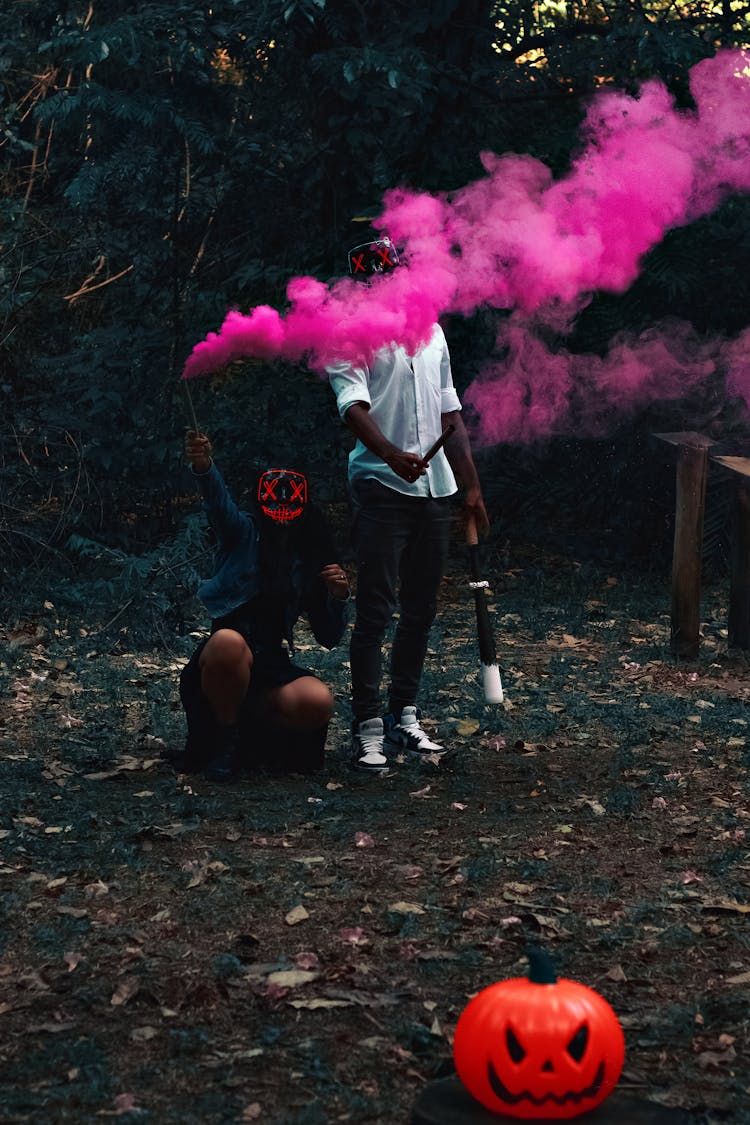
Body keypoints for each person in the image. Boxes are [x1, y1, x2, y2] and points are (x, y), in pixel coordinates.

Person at [326, 237, 489, 772]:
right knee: (376, 610)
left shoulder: (432, 332)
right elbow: (352, 408)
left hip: (434, 490)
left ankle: (404, 716)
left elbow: (450, 415)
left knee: (421, 609)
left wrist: (470, 487)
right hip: (382, 486)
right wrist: (392, 454)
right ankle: (367, 727)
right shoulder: (349, 336)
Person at [174, 430, 350, 781]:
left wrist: (338, 596)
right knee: (228, 641)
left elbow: (329, 637)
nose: (282, 510)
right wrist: (204, 466)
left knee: (317, 701)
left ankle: (255, 734)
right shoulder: (242, 533)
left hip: (270, 665)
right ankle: (225, 738)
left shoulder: (307, 554)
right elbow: (218, 503)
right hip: (225, 662)